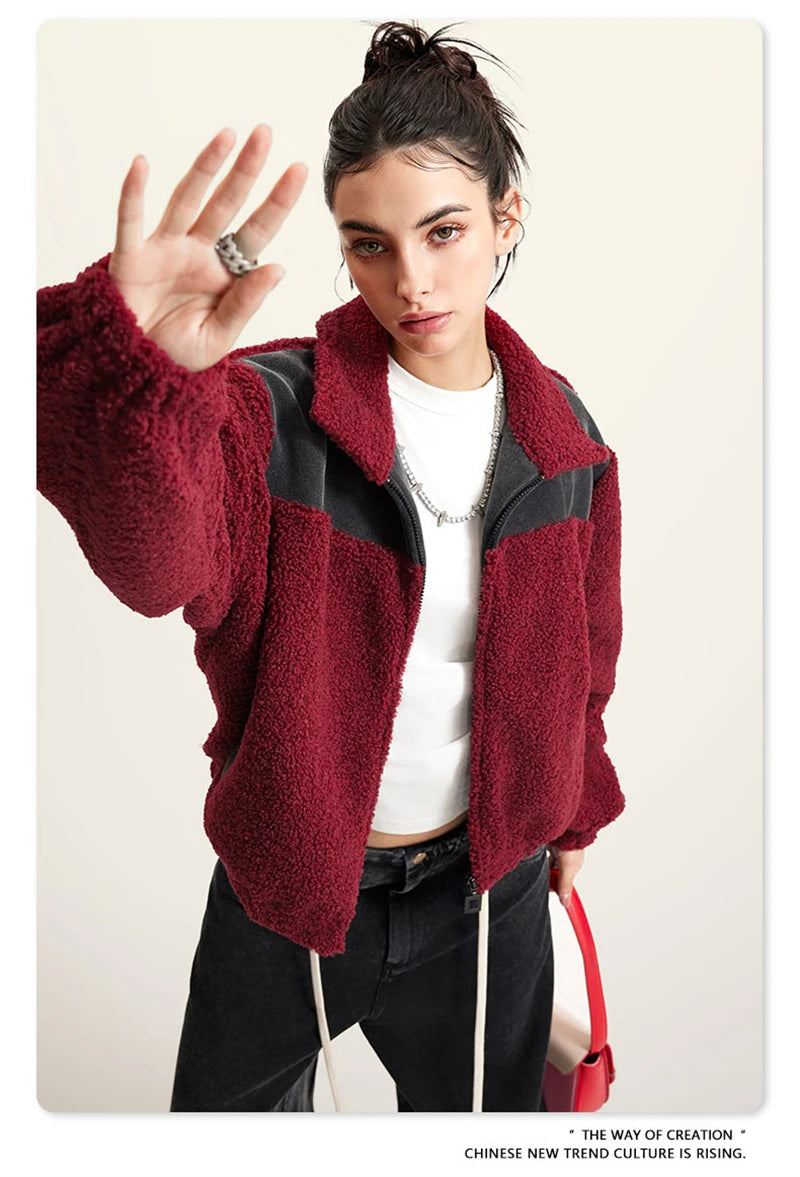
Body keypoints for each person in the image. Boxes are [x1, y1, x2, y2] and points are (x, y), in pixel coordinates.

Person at [36, 20, 625, 1113]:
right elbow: (156, 567)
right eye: (368, 244)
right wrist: (145, 378)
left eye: (443, 231)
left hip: (487, 890)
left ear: (505, 217)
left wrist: (571, 816)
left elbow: (587, 657)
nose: (411, 280)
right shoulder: (272, 413)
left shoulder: (565, 439)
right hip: (291, 885)